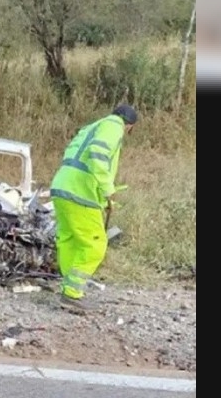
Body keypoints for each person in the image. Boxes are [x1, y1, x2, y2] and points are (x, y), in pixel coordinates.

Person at [49, 104, 138, 311]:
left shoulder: (91, 127)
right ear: (129, 126)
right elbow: (98, 153)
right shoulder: (113, 126)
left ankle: (67, 288)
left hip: (62, 187)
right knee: (95, 244)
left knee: (70, 240)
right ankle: (72, 295)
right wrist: (108, 189)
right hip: (80, 192)